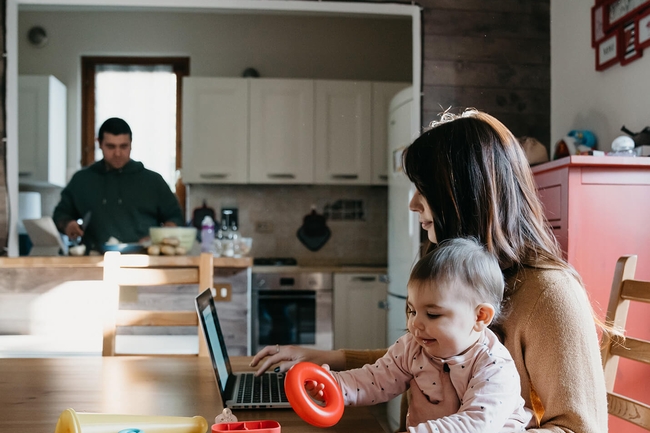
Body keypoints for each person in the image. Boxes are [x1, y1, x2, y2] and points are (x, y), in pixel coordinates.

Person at [250, 109, 608, 432]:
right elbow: (416, 360)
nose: (412, 204)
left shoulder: (549, 292)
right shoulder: (450, 276)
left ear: (466, 194)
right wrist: (331, 361)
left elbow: (580, 428)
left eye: (424, 190)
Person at [310, 237, 534, 432]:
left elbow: (475, 425)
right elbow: (376, 378)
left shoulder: (495, 367)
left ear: (480, 317)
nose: (414, 323)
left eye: (433, 314)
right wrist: (336, 385)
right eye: (412, 310)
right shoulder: (412, 347)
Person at [52, 117, 184, 252]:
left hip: (144, 259)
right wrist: (68, 225)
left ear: (131, 144)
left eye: (123, 146)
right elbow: (61, 214)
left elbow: (175, 217)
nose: (117, 153)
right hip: (94, 260)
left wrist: (161, 236)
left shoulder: (153, 181)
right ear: (99, 143)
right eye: (110, 146)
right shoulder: (82, 180)